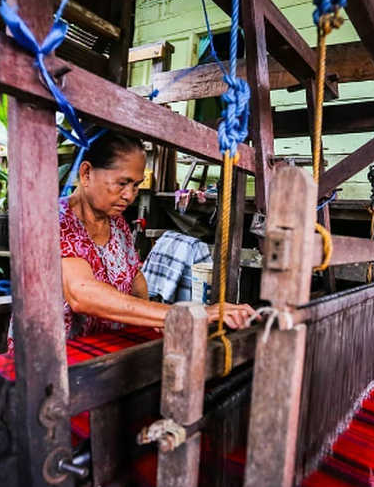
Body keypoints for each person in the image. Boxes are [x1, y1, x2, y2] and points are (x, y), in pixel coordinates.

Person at [59, 131, 255, 339]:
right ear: (86, 173)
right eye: (122, 183)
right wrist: (184, 314)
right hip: (62, 353)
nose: (129, 196)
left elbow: (134, 277)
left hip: (108, 340)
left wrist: (156, 319)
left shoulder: (116, 222)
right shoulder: (58, 221)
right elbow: (82, 294)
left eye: (136, 185)